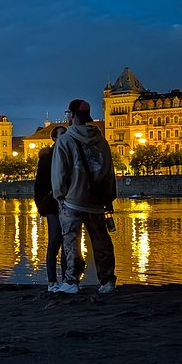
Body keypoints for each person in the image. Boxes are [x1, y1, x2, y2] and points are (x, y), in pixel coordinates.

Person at [51, 98, 117, 294]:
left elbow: (60, 173)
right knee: (101, 240)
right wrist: (108, 198)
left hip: (73, 200)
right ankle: (107, 281)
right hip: (96, 201)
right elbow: (109, 171)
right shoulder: (101, 140)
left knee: (71, 241)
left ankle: (72, 281)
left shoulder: (65, 140)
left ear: (71, 115)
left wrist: (60, 196)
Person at [34, 124, 73, 292]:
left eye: (66, 134)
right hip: (51, 205)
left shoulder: (71, 154)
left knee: (67, 243)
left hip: (69, 204)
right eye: (61, 135)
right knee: (55, 241)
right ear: (55, 138)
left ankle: (66, 280)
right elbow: (39, 185)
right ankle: (52, 282)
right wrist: (42, 206)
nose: (64, 137)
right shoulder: (47, 157)